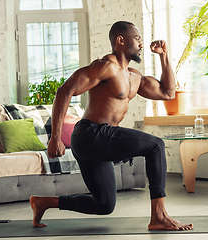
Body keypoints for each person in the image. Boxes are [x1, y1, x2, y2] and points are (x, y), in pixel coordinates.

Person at [30, 21, 193, 231]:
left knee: (104, 205)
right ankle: (159, 216)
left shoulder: (134, 76)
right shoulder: (105, 67)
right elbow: (65, 90)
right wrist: (55, 137)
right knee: (156, 145)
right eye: (137, 39)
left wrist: (164, 56)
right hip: (90, 134)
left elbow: (168, 93)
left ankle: (43, 202)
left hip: (102, 138)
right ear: (121, 40)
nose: (141, 44)